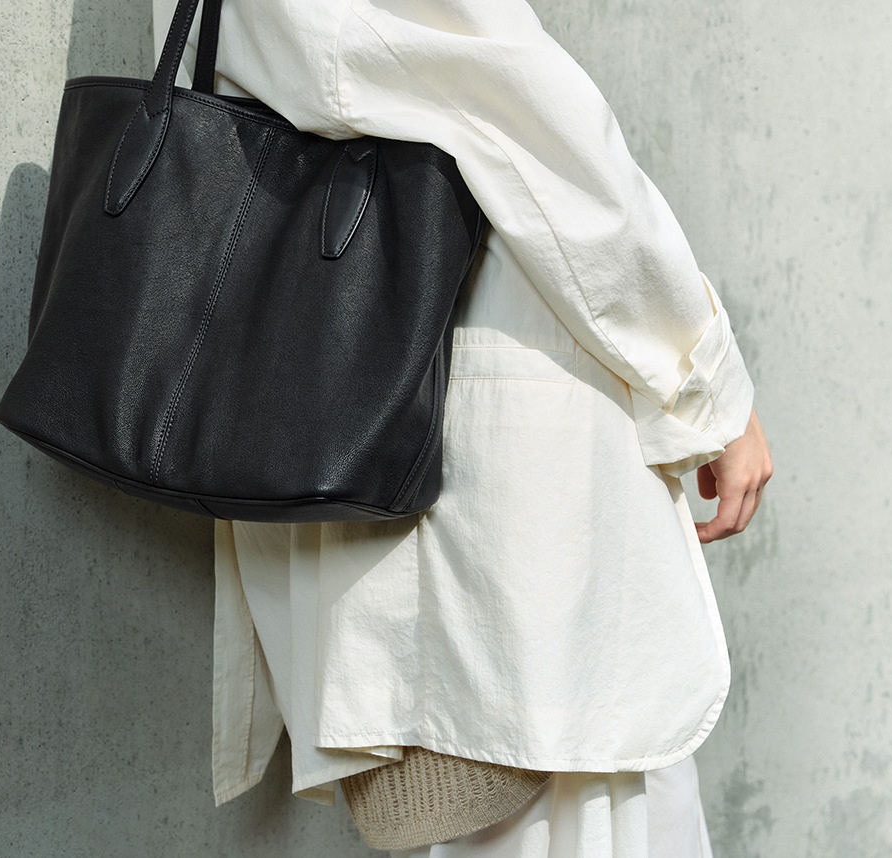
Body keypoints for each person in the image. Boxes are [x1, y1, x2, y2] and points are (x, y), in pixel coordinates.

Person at [149, 0, 773, 855]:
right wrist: (700, 375)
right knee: (579, 800)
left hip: (365, 413)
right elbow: (528, 122)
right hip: (487, 469)